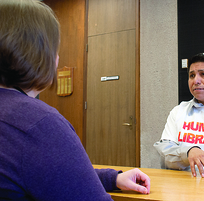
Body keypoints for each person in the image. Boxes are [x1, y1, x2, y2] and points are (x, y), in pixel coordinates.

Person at [0, 0, 150, 200]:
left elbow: (50, 172)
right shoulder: (39, 125)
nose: (58, 57)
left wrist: (112, 178)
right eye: (55, 48)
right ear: (41, 55)